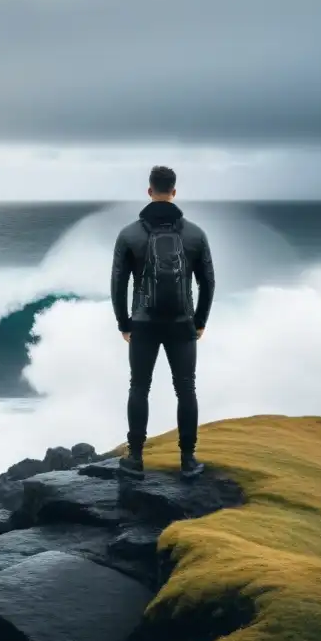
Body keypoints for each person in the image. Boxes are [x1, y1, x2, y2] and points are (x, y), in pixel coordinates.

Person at [110, 165, 215, 479]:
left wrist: (123, 324)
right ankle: (188, 460)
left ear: (149, 190)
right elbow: (208, 282)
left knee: (139, 387)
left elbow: (118, 284)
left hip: (143, 323)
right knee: (186, 389)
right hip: (182, 324)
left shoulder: (129, 234)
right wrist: (199, 321)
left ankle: (136, 459)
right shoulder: (195, 234)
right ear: (174, 191)